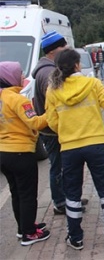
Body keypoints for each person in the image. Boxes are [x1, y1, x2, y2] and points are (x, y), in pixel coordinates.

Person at [45, 49, 104, 249]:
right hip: (96, 144)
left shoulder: (53, 90)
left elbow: (51, 121)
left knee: (72, 193)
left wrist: (66, 131)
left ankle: (76, 237)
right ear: (77, 65)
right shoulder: (93, 83)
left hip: (70, 148)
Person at [32, 31, 88, 215]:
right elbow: (60, 101)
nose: (67, 53)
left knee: (63, 166)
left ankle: (69, 198)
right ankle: (60, 202)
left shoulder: (47, 68)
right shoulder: (48, 72)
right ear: (53, 52)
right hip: (52, 130)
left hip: (53, 129)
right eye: (64, 49)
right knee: (59, 167)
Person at [0, 61, 51, 246]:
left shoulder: (2, 97)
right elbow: (35, 123)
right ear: (9, 77)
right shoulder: (18, 99)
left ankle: (23, 228)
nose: (23, 77)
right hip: (21, 152)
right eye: (20, 74)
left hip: (3, 153)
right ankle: (30, 233)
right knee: (28, 194)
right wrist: (51, 112)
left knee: (17, 193)